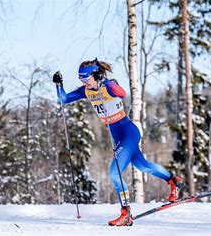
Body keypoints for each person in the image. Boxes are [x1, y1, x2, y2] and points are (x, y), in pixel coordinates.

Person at [53, 58, 185, 226]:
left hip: (129, 132)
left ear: (97, 75)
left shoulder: (108, 85)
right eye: (81, 80)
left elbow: (121, 93)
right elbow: (63, 99)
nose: (84, 83)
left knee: (115, 172)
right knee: (143, 166)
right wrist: (59, 85)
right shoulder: (86, 90)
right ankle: (174, 181)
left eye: (86, 79)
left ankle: (125, 213)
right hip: (119, 137)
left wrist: (104, 80)